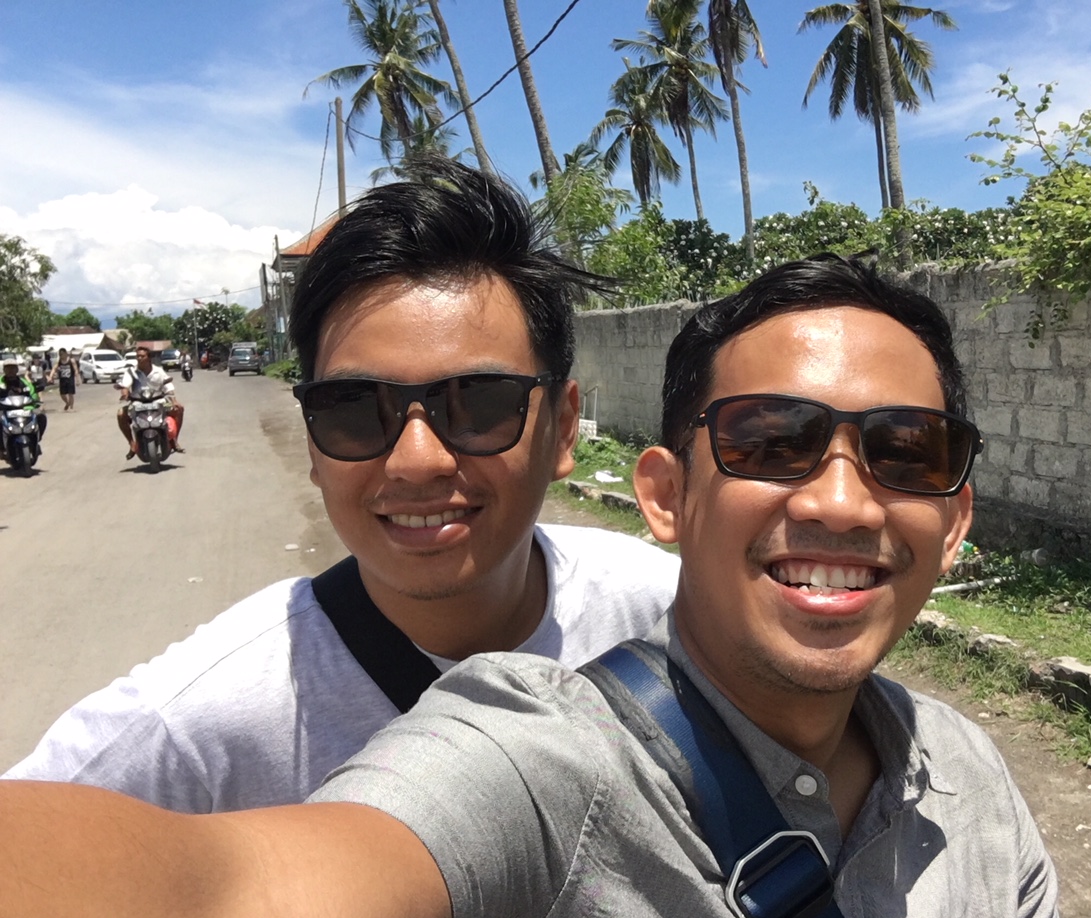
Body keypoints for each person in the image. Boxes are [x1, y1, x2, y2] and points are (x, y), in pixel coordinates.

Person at [0, 252, 1066, 918]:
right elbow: (239, 902)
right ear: (666, 496)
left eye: (905, 452)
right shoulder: (537, 755)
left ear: (954, 519)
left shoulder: (968, 775)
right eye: (770, 441)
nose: (840, 501)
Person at [3, 156, 681, 813]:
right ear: (312, 443)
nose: (417, 461)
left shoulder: (668, 615)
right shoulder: (203, 719)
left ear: (562, 429)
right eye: (353, 410)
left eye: (478, 402)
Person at [116, 344, 184, 457]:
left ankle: (174, 440)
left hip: (159, 401)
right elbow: (125, 384)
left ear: (149, 358)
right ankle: (132, 443)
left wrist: (174, 401)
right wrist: (124, 392)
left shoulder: (159, 371)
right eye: (138, 356)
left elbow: (168, 386)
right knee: (120, 414)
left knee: (179, 409)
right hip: (137, 402)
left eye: (142, 356)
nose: (139, 358)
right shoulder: (131, 371)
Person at [1, 359, 47, 440]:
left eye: (13, 368)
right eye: (8, 368)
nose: (10, 370)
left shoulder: (25, 382)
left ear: (17, 369)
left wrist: (34, 402)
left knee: (41, 416)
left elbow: (33, 394)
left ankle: (36, 438)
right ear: (4, 370)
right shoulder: (0, 382)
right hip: (4, 410)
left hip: (23, 409)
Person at [54, 346, 79, 411]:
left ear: (65, 353)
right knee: (62, 394)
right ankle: (67, 403)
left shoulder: (71, 360)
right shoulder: (59, 361)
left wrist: (77, 379)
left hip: (70, 379)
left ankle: (71, 407)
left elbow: (76, 370)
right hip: (62, 379)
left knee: (70, 394)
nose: (61, 356)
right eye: (60, 354)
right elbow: (55, 368)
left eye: (62, 354)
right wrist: (52, 376)